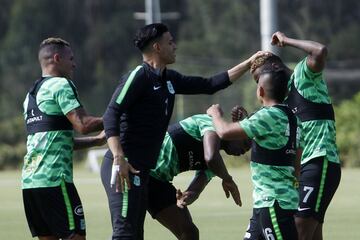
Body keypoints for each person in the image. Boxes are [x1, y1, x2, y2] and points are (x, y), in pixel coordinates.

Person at [101, 22, 269, 240]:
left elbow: (210, 84)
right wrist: (118, 157)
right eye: (170, 42)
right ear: (157, 47)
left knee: (184, 232)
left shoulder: (169, 80)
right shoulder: (139, 76)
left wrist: (248, 64)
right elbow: (110, 114)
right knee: (125, 234)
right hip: (124, 167)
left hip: (145, 171)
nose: (175, 46)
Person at [251, 32, 341, 240]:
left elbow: (320, 51)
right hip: (304, 168)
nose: (260, 85)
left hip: (320, 159)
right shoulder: (280, 104)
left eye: (259, 78)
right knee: (311, 233)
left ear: (274, 67)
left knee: (299, 228)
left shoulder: (302, 75)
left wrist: (286, 41)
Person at [22, 37, 105, 240]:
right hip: (55, 180)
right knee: (76, 236)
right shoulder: (61, 85)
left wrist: (97, 141)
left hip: (30, 184)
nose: (74, 64)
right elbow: (83, 125)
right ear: (57, 58)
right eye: (71, 58)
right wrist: (118, 116)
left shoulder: (30, 96)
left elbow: (53, 140)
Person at [207, 69, 301, 240]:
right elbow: (296, 164)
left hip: (273, 203)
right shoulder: (294, 119)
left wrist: (215, 114)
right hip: (273, 202)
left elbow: (223, 131)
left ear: (261, 91)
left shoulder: (267, 116)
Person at [146, 110, 250, 240]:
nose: (244, 151)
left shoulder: (215, 166)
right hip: (141, 168)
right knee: (131, 232)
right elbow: (211, 157)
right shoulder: (210, 122)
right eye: (245, 144)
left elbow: (195, 190)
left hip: (157, 182)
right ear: (234, 130)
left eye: (248, 150)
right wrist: (227, 179)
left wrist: (185, 197)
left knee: (190, 233)